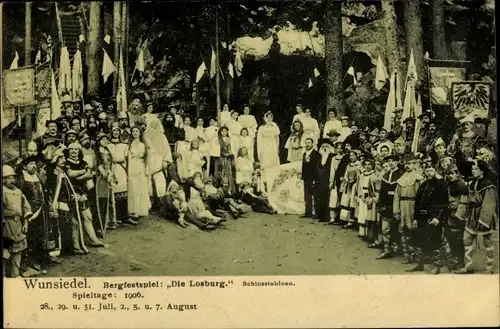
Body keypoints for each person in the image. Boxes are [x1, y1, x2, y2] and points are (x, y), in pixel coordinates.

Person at [407, 163, 449, 274]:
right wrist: (416, 218)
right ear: (424, 172)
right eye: (427, 170)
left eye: (431, 170)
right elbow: (417, 203)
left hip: (433, 217)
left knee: (435, 240)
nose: (429, 173)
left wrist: (438, 218)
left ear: (435, 171)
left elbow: (444, 203)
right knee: (420, 240)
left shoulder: (440, 184)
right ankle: (419, 264)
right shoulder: (424, 184)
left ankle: (437, 266)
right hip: (422, 217)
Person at [457, 161, 498, 274]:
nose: (473, 171)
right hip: (472, 215)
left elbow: (489, 203)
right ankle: (468, 266)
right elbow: (467, 200)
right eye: (472, 169)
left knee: (487, 241)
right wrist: (462, 214)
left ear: (482, 171)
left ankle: (489, 267)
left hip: (483, 214)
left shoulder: (488, 184)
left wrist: (484, 219)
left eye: (476, 169)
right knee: (467, 238)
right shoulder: (472, 184)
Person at [18, 156, 55, 275]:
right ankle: (29, 262)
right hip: (29, 213)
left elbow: (45, 192)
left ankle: (42, 260)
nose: (33, 166)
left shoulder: (38, 177)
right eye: (30, 164)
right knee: (30, 237)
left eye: (35, 163)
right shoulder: (21, 178)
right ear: (24, 166)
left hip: (41, 212)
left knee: (41, 236)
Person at [64, 143, 105, 247]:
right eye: (71, 149)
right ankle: (75, 245)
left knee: (88, 217)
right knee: (74, 220)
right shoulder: (66, 162)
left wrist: (78, 177)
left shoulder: (83, 162)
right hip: (70, 194)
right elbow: (70, 174)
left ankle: (94, 239)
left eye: (76, 149)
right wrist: (83, 172)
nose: (73, 151)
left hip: (82, 193)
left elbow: (89, 175)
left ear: (79, 151)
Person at [3, 165, 33, 277]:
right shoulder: (3, 191)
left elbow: (26, 208)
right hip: (6, 223)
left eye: (12, 178)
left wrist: (25, 223)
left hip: (18, 224)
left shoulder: (19, 192)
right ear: (3, 179)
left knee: (18, 249)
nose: (11, 180)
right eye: (8, 178)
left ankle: (15, 273)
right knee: (5, 250)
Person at [393, 153, 424, 264]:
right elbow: (396, 195)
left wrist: (419, 211)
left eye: (410, 163)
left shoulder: (418, 178)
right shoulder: (402, 178)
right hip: (403, 204)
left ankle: (417, 255)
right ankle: (407, 255)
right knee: (403, 230)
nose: (408, 166)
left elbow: (421, 195)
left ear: (414, 164)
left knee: (414, 230)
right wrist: (396, 209)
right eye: (406, 163)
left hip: (413, 204)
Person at [444, 165, 468, 271]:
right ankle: (454, 260)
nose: (450, 176)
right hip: (449, 214)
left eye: (453, 173)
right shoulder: (448, 185)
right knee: (450, 237)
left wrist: (459, 214)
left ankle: (461, 261)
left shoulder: (462, 186)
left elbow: (464, 202)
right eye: (449, 174)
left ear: (457, 174)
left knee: (458, 239)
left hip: (458, 215)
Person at [448, 115, 484, 180]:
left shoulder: (477, 138)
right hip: (459, 166)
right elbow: (452, 151)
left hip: (472, 166)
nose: (465, 126)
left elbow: (482, 153)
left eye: (467, 124)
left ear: (471, 125)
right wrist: (453, 141)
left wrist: (475, 160)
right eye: (463, 125)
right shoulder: (458, 138)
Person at [127, 126, 151, 222]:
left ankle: (141, 210)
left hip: (140, 165)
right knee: (133, 188)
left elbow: (146, 157)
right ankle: (133, 210)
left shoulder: (143, 144)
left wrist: (146, 169)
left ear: (140, 133)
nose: (135, 133)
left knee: (141, 187)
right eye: (133, 131)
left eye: (137, 131)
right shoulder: (129, 144)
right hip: (132, 165)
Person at [354, 158, 378, 241]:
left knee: (367, 214)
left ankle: (368, 234)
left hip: (369, 195)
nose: (367, 166)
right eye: (366, 165)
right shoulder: (361, 175)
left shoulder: (373, 175)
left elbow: (372, 188)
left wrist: (370, 196)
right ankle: (362, 232)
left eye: (369, 165)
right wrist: (360, 195)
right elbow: (359, 186)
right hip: (362, 195)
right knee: (361, 213)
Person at [95, 145, 118, 231]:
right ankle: (104, 221)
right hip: (101, 182)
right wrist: (105, 173)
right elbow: (101, 170)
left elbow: (112, 169)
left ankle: (112, 220)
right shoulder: (99, 163)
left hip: (109, 181)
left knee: (111, 201)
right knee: (103, 201)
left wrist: (112, 176)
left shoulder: (109, 158)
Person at [339, 150, 361, 227]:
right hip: (348, 184)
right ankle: (345, 219)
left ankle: (352, 221)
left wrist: (354, 180)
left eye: (353, 155)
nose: (352, 157)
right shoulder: (349, 164)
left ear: (356, 156)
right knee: (346, 202)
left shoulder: (359, 164)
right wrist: (346, 179)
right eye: (350, 156)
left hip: (354, 185)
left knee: (352, 202)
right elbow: (346, 173)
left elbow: (359, 175)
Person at [315, 139, 335, 222]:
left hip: (327, 180)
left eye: (327, 146)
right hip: (320, 180)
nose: (325, 148)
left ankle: (327, 216)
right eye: (323, 147)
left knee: (327, 198)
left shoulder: (332, 157)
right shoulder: (319, 156)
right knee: (319, 198)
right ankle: (320, 216)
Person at [300, 138, 320, 218]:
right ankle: (307, 212)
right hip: (306, 177)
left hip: (313, 177)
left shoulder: (316, 154)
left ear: (312, 144)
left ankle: (314, 212)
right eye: (306, 143)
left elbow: (317, 167)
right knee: (306, 195)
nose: (307, 144)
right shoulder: (304, 154)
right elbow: (303, 166)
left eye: (309, 143)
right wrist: (303, 176)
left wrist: (315, 178)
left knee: (313, 195)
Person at [329, 142, 349, 224]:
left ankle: (342, 218)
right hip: (336, 179)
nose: (339, 150)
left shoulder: (345, 157)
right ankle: (333, 217)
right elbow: (332, 170)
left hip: (343, 179)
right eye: (338, 148)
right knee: (334, 198)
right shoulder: (334, 158)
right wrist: (331, 180)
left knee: (342, 198)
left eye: (341, 148)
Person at [214, 126, 236, 195]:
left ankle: (229, 190)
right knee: (221, 173)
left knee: (229, 173)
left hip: (228, 158)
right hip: (221, 158)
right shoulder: (217, 139)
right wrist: (222, 154)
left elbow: (232, 149)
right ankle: (221, 189)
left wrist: (230, 153)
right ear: (220, 132)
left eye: (225, 131)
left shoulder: (230, 139)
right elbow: (216, 149)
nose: (224, 132)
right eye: (222, 131)